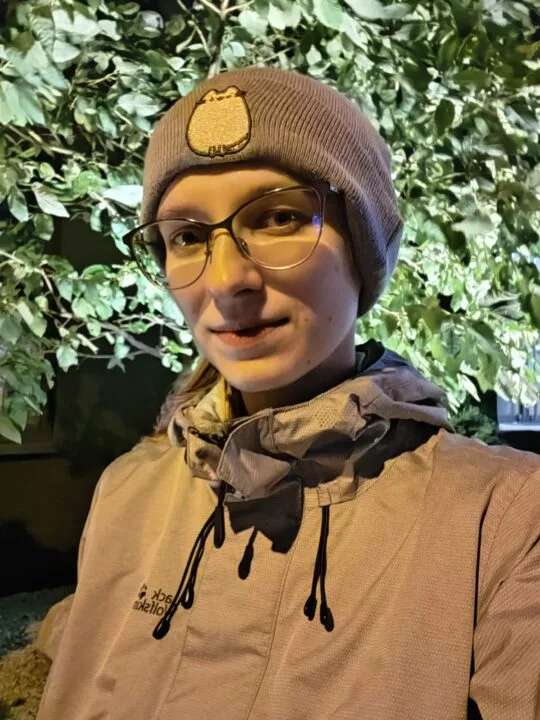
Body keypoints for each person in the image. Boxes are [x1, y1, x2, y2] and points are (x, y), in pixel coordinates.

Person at [35, 67, 539, 720]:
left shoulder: (504, 520)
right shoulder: (128, 493)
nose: (225, 281)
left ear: (364, 246)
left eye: (278, 217)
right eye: (187, 236)